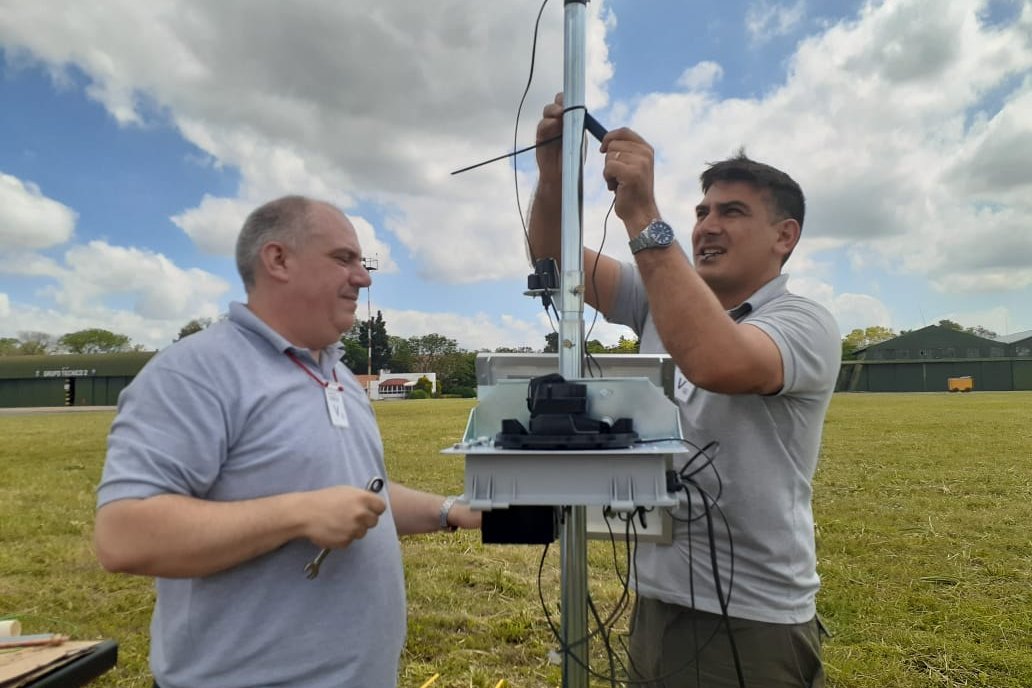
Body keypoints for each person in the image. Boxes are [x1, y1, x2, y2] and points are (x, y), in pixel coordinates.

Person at [94, 196, 479, 688]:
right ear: (278, 260)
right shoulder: (194, 372)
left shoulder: (335, 372)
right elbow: (123, 536)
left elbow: (360, 496)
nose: (363, 278)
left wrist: (451, 511)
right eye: (344, 259)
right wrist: (296, 514)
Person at [529, 95, 840, 687]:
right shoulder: (661, 296)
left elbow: (714, 360)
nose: (706, 226)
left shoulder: (805, 324)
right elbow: (554, 258)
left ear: (785, 235)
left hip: (750, 615)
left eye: (732, 212)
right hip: (657, 599)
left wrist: (644, 213)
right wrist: (550, 176)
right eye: (700, 211)